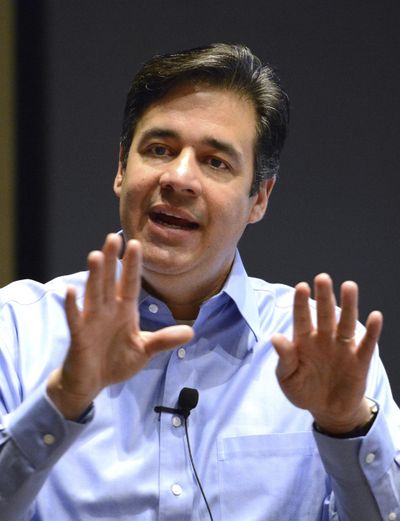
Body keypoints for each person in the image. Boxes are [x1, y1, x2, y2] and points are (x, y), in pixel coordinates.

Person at [0, 43, 399, 521]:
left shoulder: (326, 349)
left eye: (216, 162)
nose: (180, 177)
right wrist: (63, 398)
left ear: (259, 199)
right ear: (122, 168)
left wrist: (345, 425)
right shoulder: (19, 329)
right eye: (160, 149)